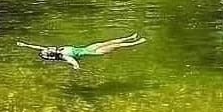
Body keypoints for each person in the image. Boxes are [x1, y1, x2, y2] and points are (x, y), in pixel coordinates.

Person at [18, 33, 146, 70]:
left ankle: (131, 37)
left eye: (47, 49)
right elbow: (72, 61)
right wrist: (76, 66)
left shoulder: (58, 49)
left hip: (88, 48)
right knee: (118, 45)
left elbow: (38, 47)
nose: (47, 48)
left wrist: (25, 45)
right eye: (48, 50)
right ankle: (136, 43)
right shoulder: (64, 56)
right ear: (52, 53)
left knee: (110, 41)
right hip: (95, 52)